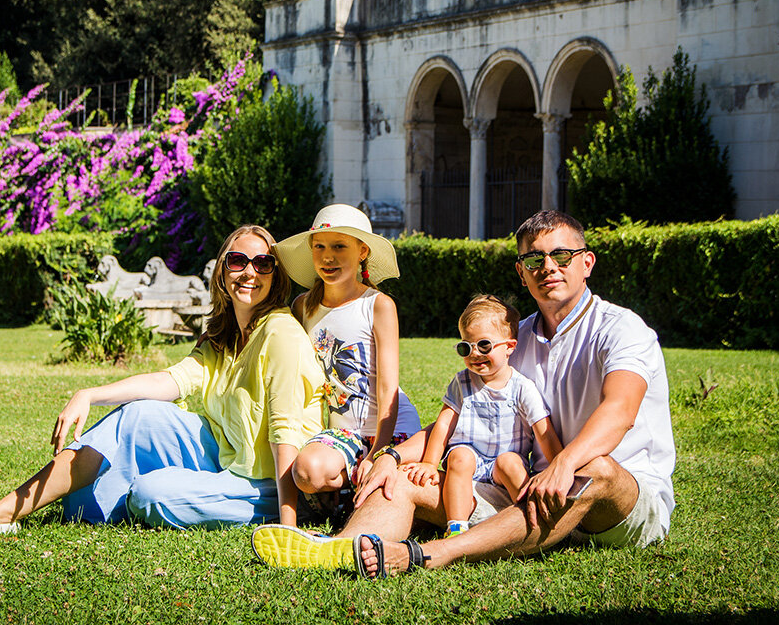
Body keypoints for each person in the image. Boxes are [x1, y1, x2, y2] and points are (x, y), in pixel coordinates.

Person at [250, 210, 675, 577]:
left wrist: (563, 464)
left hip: (621, 499)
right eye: (534, 258)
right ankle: (341, 547)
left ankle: (429, 554)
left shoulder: (621, 329)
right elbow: (466, 417)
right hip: (526, 491)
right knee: (400, 480)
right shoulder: (512, 338)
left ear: (587, 262)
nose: (549, 267)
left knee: (595, 469)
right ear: (521, 271)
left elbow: (620, 410)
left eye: (562, 256)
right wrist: (394, 457)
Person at [0, 224, 325, 536]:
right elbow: (169, 381)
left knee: (150, 496)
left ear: (276, 274)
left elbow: (284, 430)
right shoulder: (222, 340)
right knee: (99, 479)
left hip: (274, 480)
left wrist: (289, 523)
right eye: (238, 261)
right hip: (227, 452)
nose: (250, 272)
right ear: (223, 270)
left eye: (263, 263)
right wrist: (89, 393)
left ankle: (213, 498)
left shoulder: (281, 333)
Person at [275, 204, 422, 520]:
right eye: (320, 247)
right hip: (343, 433)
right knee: (307, 472)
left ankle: (355, 493)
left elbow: (387, 386)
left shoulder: (378, 305)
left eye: (340, 246)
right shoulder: (303, 306)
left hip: (389, 428)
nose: (328, 256)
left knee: (391, 489)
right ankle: (355, 491)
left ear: (362, 251)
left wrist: (380, 452)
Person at [402, 294, 563, 537]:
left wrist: (558, 468)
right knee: (459, 456)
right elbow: (444, 423)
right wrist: (428, 463)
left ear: (509, 347)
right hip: (471, 458)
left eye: (484, 345)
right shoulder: (462, 381)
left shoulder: (522, 387)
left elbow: (544, 432)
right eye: (466, 347)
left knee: (510, 462)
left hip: (504, 462)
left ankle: (527, 520)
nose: (475, 354)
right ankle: (456, 526)